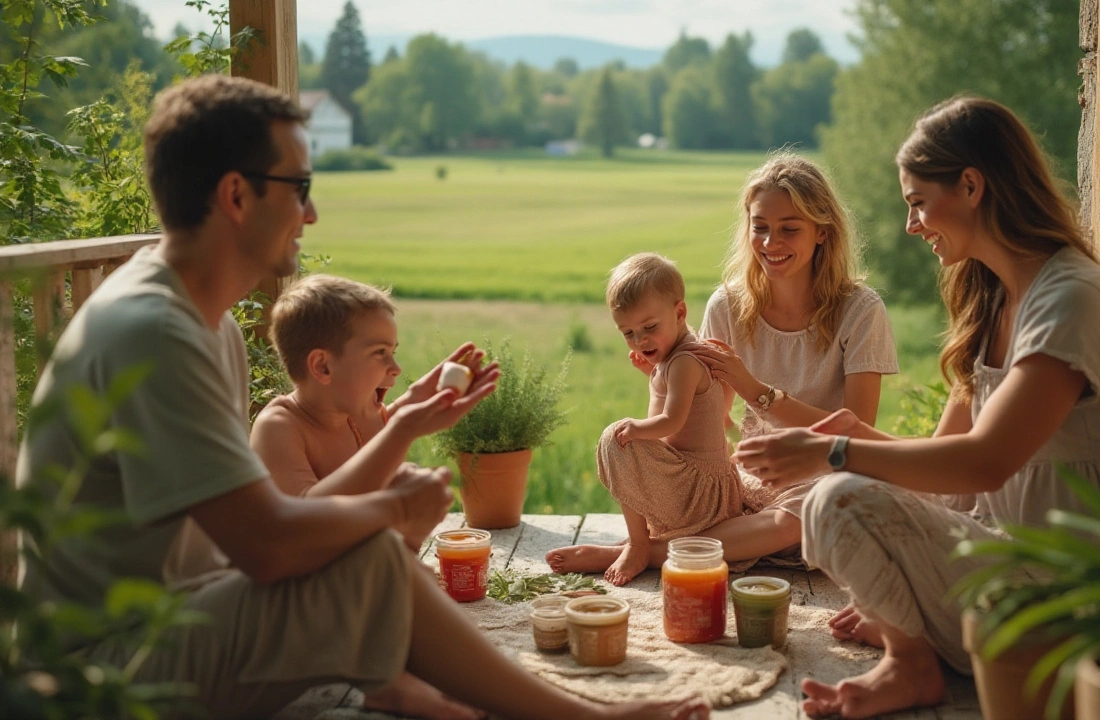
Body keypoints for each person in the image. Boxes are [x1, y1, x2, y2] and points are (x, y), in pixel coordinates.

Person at [16, 74, 708, 720]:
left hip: (174, 617)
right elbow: (268, 549)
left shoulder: (203, 324)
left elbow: (267, 523)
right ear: (235, 195)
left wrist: (399, 428)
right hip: (100, 672)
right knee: (372, 555)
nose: (310, 213)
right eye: (299, 187)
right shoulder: (158, 332)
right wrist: (391, 507)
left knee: (368, 556)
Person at [732, 96, 1100, 719]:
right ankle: (918, 648)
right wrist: (860, 445)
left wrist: (833, 452)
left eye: (918, 203)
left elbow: (985, 463)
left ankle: (913, 660)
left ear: (972, 186)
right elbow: (949, 476)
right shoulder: (995, 301)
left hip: (1077, 600)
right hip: (1005, 567)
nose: (913, 225)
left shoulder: (1071, 299)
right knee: (844, 487)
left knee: (832, 494)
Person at [548, 153, 898, 574]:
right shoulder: (729, 305)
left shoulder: (861, 310)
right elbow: (708, 418)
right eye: (760, 227)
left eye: (790, 229)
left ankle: (651, 552)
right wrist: (662, 385)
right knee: (627, 444)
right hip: (753, 474)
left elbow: (856, 435)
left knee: (809, 511)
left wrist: (758, 393)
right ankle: (672, 541)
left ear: (822, 233)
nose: (771, 243)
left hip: (828, 471)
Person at [251, 273, 498, 719]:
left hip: (361, 593)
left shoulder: (360, 414)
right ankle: (388, 682)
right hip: (298, 616)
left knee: (412, 501)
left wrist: (416, 405)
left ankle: (403, 656)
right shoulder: (279, 426)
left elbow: (377, 445)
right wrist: (401, 427)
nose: (396, 370)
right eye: (380, 354)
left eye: (394, 354)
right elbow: (307, 522)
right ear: (323, 367)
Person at [576, 253, 746, 586]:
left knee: (615, 439)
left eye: (649, 328)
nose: (640, 340)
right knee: (626, 439)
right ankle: (638, 543)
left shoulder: (683, 363)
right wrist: (652, 374)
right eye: (628, 333)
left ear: (679, 312)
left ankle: (639, 546)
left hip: (698, 491)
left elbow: (672, 422)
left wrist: (636, 428)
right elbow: (694, 408)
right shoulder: (679, 354)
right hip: (699, 483)